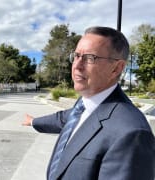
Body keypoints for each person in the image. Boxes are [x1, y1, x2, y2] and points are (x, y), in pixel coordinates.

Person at [22, 26, 155, 180]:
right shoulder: (84, 105)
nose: (77, 66)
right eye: (77, 56)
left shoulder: (131, 134)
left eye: (90, 58)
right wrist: (33, 121)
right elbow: (63, 118)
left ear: (117, 68)